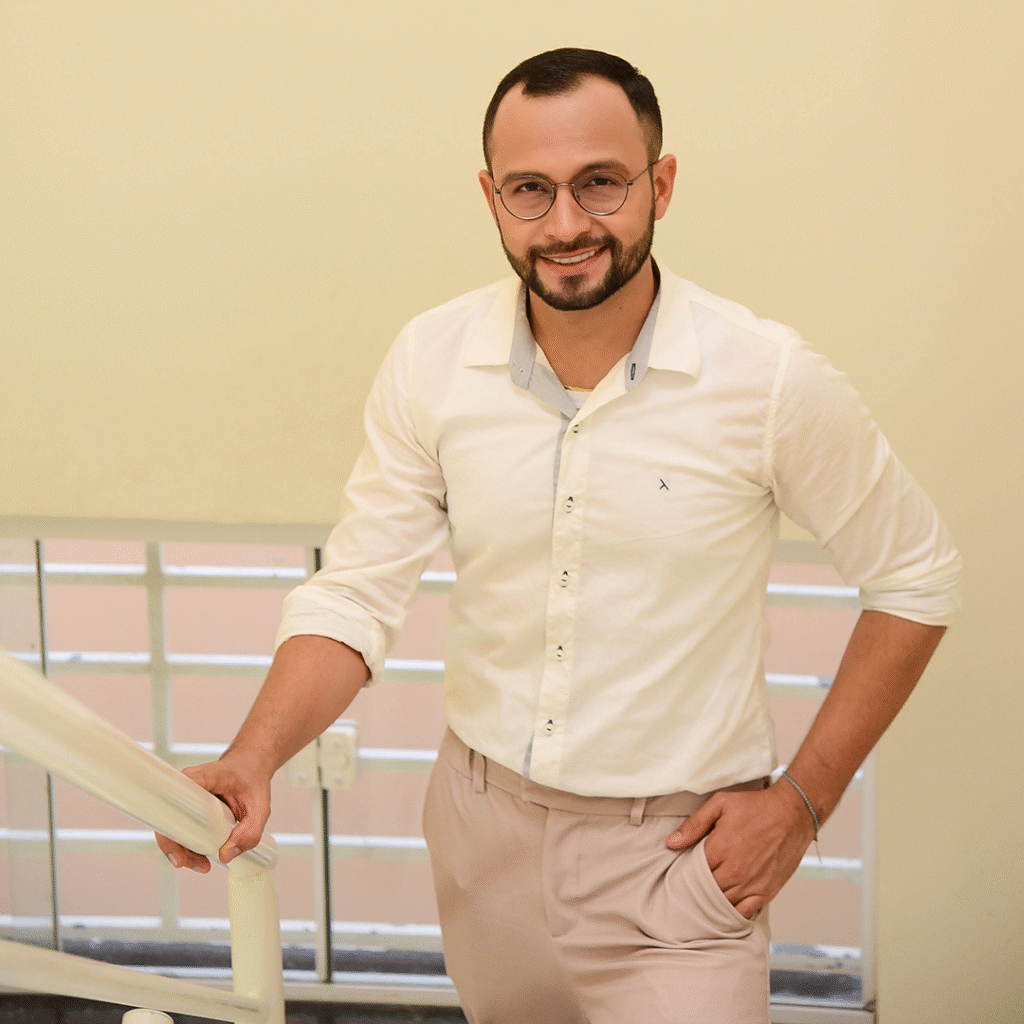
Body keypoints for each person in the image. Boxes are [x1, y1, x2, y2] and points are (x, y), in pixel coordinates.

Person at [157, 48, 961, 1024]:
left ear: (661, 183)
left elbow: (915, 575)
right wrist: (253, 755)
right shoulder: (430, 360)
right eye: (531, 190)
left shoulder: (769, 380)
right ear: (492, 197)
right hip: (481, 838)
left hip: (679, 858)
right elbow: (358, 593)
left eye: (601, 183)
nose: (567, 224)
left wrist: (800, 802)